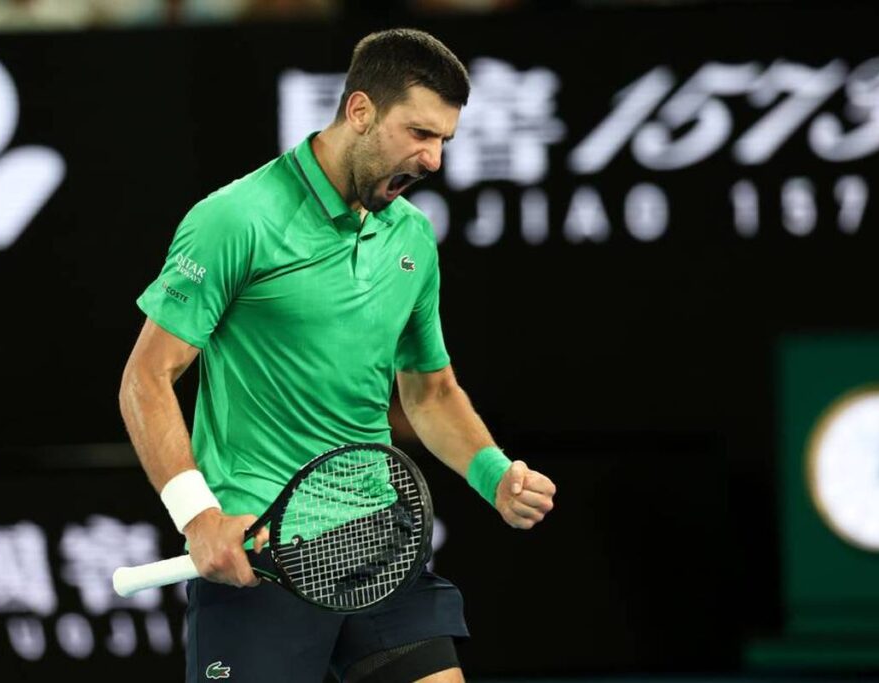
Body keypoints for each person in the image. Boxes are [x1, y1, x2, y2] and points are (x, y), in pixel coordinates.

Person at [119, 27, 556, 683]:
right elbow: (147, 377)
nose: (434, 159)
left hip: (378, 542)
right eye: (419, 133)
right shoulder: (235, 219)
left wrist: (495, 474)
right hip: (261, 551)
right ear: (359, 111)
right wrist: (199, 517)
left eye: (443, 139)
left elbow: (430, 391)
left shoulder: (412, 238)